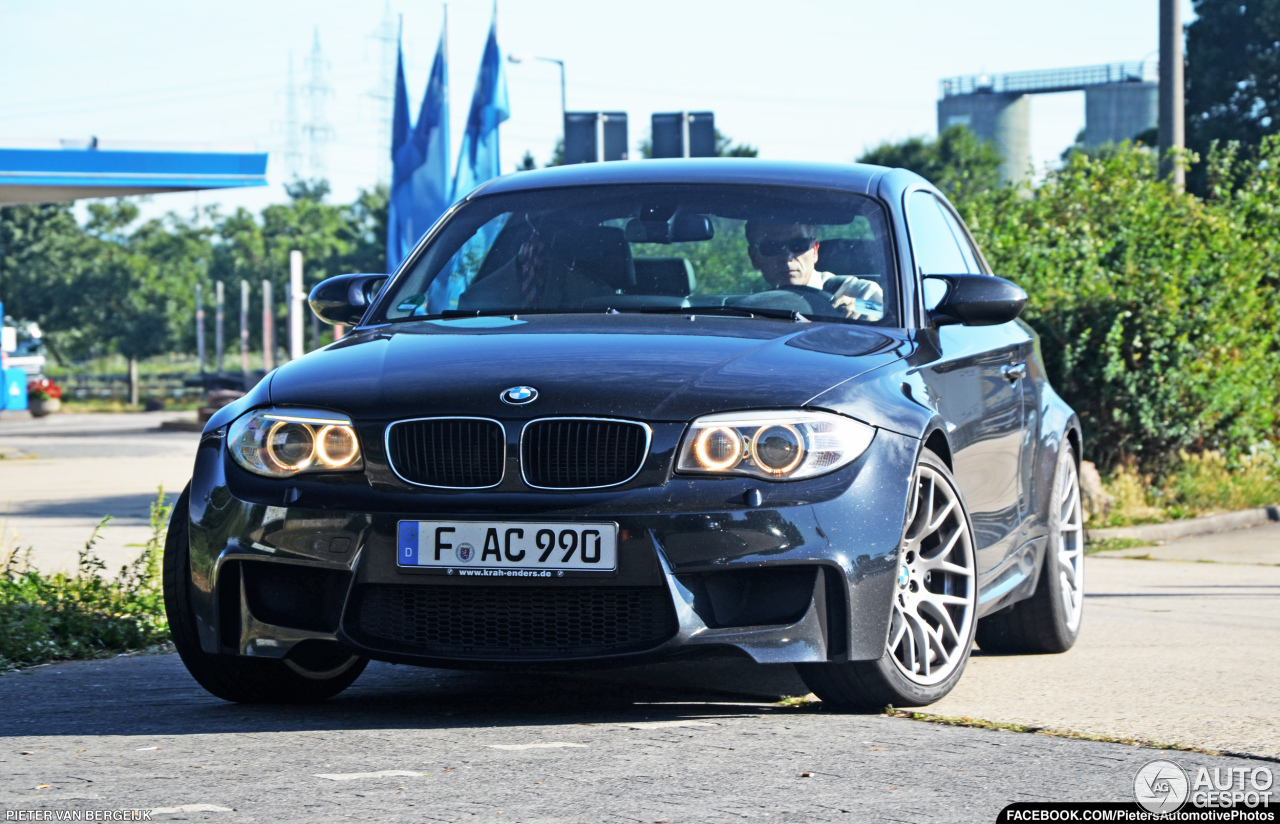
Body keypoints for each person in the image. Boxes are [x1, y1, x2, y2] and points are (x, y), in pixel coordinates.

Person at [744, 221, 884, 321]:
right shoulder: (747, 311)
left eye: (798, 244)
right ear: (754, 257)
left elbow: (888, 314)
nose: (787, 257)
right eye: (772, 247)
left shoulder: (859, 291)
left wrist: (859, 307)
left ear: (814, 250)